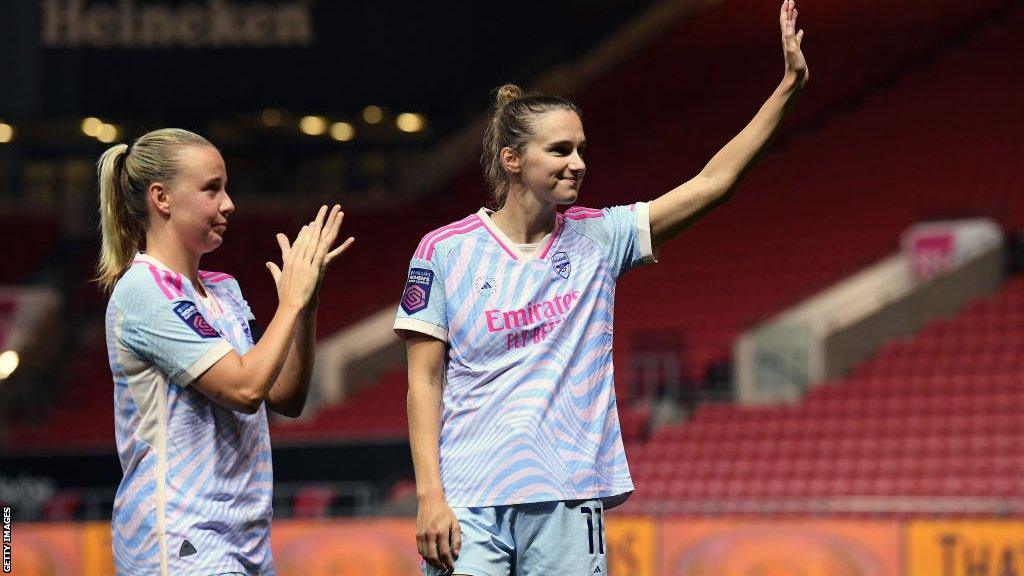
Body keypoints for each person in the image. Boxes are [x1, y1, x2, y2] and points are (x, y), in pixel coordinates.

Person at [394, 1, 808, 573]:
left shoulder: (600, 237)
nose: (578, 163)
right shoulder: (444, 250)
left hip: (567, 492)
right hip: (469, 500)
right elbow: (423, 380)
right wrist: (429, 497)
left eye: (581, 148)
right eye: (560, 150)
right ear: (512, 160)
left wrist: (787, 87)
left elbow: (715, 183)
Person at [97, 127, 353, 575]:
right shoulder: (143, 289)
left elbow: (285, 397)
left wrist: (305, 308)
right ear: (162, 198)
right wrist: (289, 301)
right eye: (211, 188)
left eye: (226, 187)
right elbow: (244, 388)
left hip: (245, 534)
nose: (228, 203)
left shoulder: (224, 289)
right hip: (181, 536)